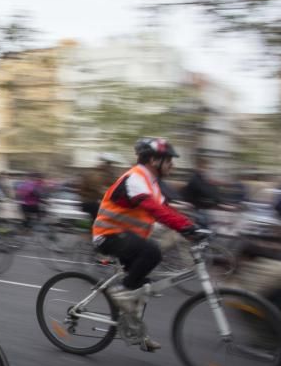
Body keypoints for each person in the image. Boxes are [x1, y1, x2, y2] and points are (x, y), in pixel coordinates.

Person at [92, 137, 205, 352]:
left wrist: (193, 228)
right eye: (169, 159)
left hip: (128, 239)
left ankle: (136, 333)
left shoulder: (152, 182)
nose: (173, 164)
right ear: (154, 159)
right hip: (109, 236)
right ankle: (121, 291)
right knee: (152, 252)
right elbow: (155, 210)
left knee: (143, 286)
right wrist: (185, 228)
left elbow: (167, 211)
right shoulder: (136, 177)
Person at [79, 154, 119, 220]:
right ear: (105, 166)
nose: (112, 168)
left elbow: (114, 183)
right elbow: (98, 190)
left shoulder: (103, 175)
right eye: (110, 166)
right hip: (90, 203)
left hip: (91, 202)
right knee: (107, 214)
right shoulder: (96, 175)